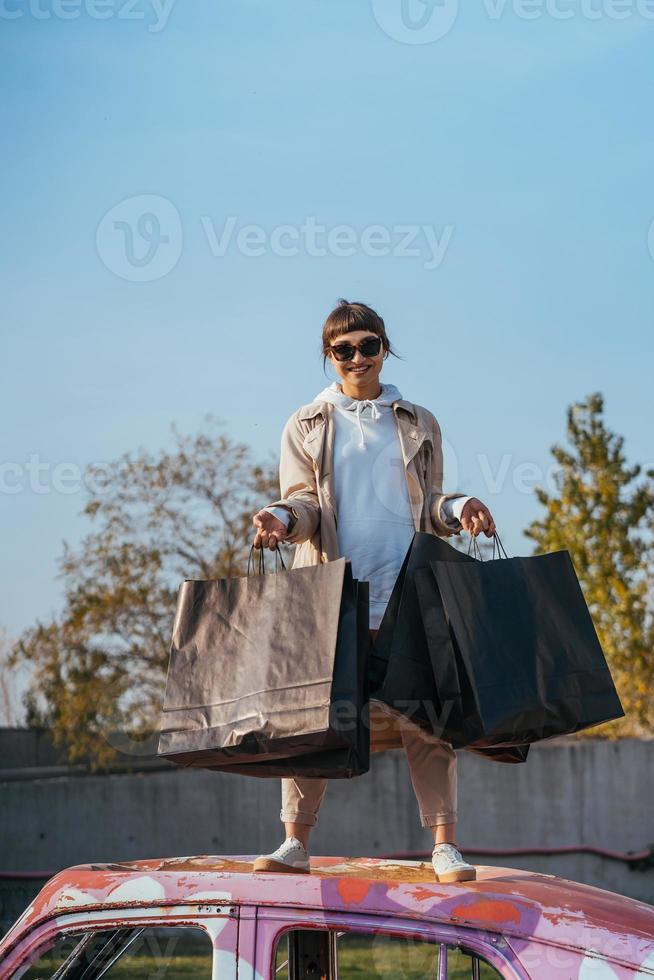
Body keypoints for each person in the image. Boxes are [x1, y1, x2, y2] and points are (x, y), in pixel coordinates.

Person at [250, 299, 496, 883]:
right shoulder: (306, 423)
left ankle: (444, 847)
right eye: (344, 349)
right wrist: (280, 519)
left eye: (368, 346)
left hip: (409, 590)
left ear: (385, 348)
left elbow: (430, 504)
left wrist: (462, 507)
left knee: (428, 720)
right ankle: (294, 844)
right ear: (329, 356)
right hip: (332, 595)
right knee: (312, 718)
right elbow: (304, 502)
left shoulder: (416, 420)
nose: (357, 358)